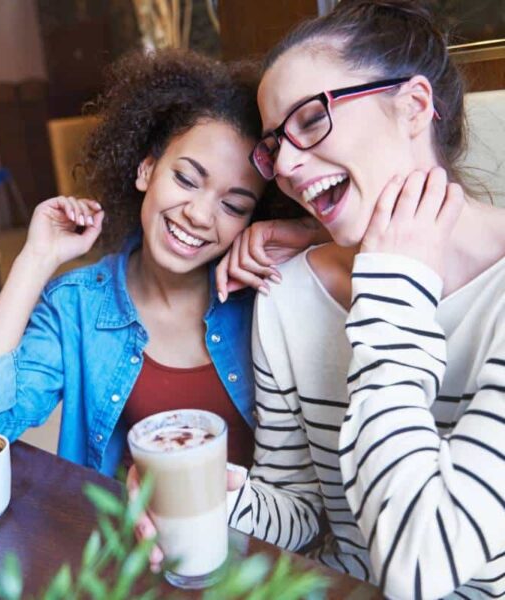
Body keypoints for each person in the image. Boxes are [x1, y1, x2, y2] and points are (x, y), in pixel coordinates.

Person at [136, 1, 505, 597]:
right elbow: (304, 516)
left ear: (412, 106)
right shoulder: (290, 293)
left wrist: (392, 289)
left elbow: (422, 569)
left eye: (310, 119)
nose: (282, 165)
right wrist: (224, 499)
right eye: (273, 143)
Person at [0, 50, 325, 476]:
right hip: (133, 537)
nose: (199, 214)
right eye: (186, 180)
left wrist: (310, 234)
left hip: (258, 538)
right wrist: (35, 259)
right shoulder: (77, 305)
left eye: (232, 206)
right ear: (146, 169)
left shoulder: (270, 290)